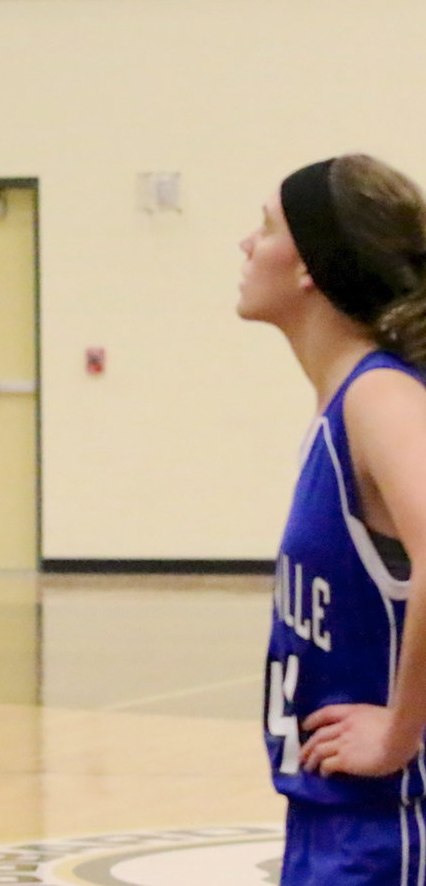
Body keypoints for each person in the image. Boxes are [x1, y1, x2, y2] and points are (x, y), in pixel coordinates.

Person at [238, 154, 426, 884]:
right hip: (332, 816)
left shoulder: (380, 397)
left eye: (266, 227)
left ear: (312, 263)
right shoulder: (343, 403)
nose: (247, 245)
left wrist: (401, 731)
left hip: (393, 826)